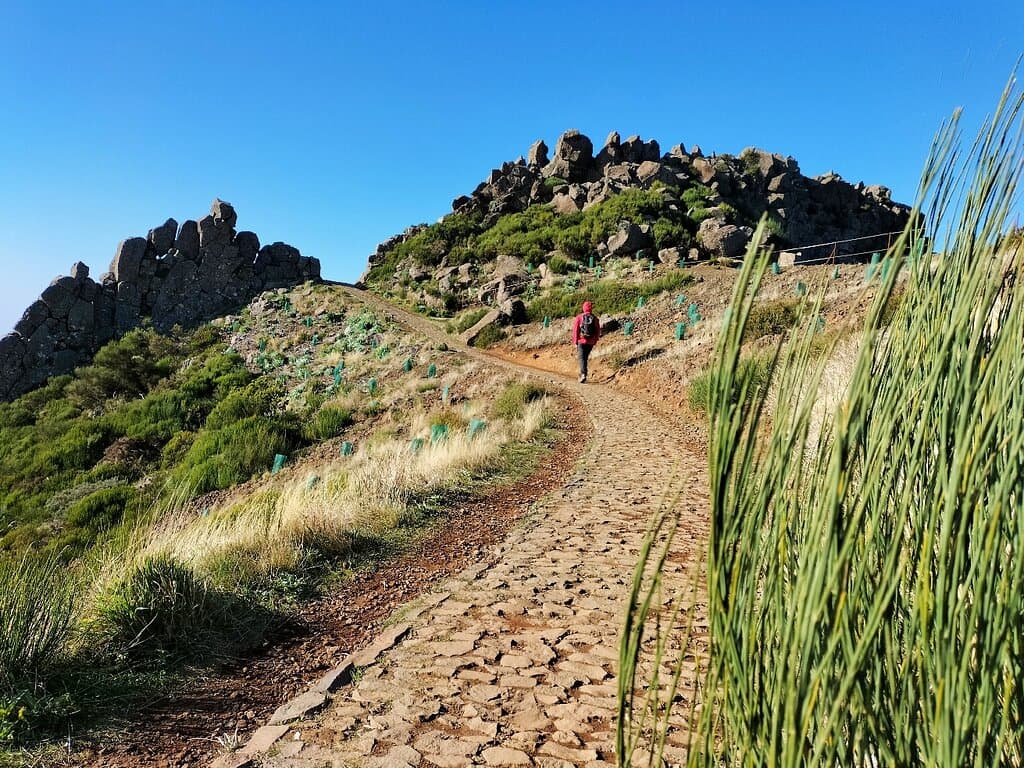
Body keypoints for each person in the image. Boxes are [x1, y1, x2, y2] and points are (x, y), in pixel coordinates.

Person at [571, 300, 601, 383]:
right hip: (590, 342)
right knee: (585, 358)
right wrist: (595, 340)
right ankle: (583, 373)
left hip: (581, 341)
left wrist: (575, 341)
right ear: (591, 308)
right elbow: (598, 331)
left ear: (583, 308)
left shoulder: (579, 317)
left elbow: (576, 330)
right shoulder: (595, 318)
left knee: (581, 358)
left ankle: (583, 374)